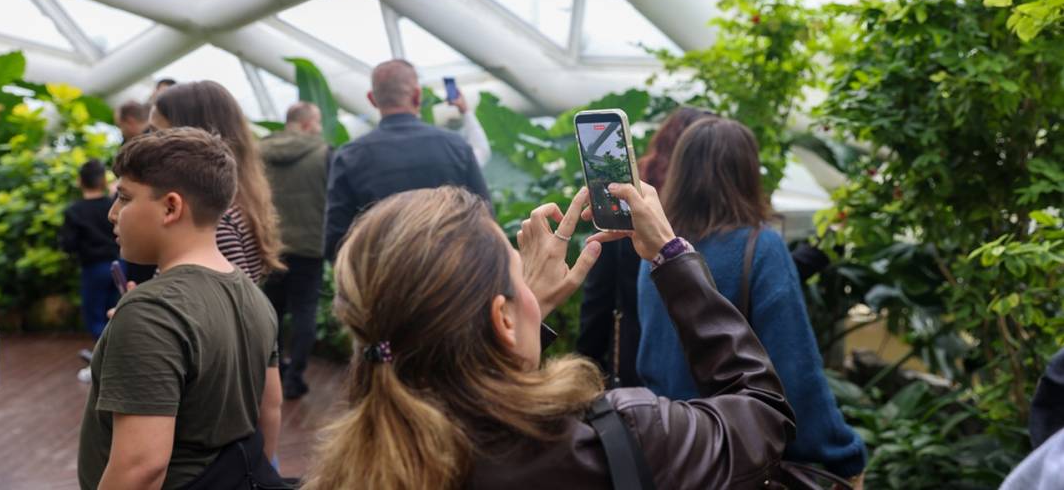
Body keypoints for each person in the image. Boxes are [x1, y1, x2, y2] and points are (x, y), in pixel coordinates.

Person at [302, 183, 795, 490]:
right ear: (501, 317)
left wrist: (516, 317)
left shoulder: (347, 472)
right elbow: (763, 414)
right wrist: (671, 256)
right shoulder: (620, 438)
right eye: (519, 272)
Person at [636, 117, 867, 487]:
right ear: (746, 173)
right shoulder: (761, 248)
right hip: (735, 460)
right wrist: (842, 457)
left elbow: (653, 360)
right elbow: (795, 369)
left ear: (680, 172)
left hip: (671, 455)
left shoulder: (655, 253)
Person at [77, 128, 282, 490]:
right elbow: (270, 411)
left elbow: (141, 468)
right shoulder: (254, 297)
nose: (113, 214)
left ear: (171, 206)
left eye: (124, 197)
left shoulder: (152, 311)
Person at [577, 107, 714, 386]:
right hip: (700, 360)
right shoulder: (710, 208)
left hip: (635, 360)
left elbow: (598, 300)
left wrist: (582, 372)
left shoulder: (631, 195)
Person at [322, 59, 491, 260]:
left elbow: (337, 239)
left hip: (384, 280)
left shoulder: (349, 156)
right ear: (417, 95)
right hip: (451, 275)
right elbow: (485, 219)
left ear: (372, 99)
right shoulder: (455, 146)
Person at [152, 80, 283, 283]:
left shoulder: (213, 222)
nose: (149, 143)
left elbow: (234, 307)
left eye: (159, 134)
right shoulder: (232, 204)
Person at [260, 102, 331, 400]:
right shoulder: (324, 153)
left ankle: (268, 373)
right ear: (305, 124)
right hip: (310, 247)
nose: (318, 127)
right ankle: (294, 377)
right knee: (304, 312)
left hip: (269, 245)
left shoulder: (258, 151)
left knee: (269, 312)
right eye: (316, 122)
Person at [59, 159, 122, 378]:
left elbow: (67, 244)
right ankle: (113, 358)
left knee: (95, 316)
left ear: (79, 182)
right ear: (104, 180)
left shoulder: (75, 211)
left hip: (93, 268)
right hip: (117, 266)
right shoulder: (113, 205)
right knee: (117, 312)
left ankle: (103, 361)